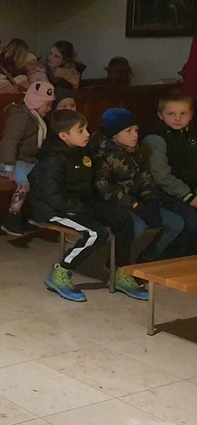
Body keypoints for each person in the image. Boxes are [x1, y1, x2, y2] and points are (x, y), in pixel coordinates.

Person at [27, 109, 138, 303]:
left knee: (123, 217)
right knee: (96, 233)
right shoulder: (52, 159)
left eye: (86, 129)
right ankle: (61, 272)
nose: (87, 134)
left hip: (78, 204)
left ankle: (121, 272)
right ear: (64, 136)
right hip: (52, 210)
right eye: (80, 131)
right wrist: (83, 208)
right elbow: (53, 197)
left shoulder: (81, 152)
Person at [92, 108, 184, 280]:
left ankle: (147, 259)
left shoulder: (136, 151)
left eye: (136, 130)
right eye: (128, 131)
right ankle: (117, 262)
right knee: (138, 226)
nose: (135, 135)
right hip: (117, 206)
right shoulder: (101, 155)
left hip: (138, 202)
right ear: (114, 134)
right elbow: (104, 189)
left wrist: (150, 201)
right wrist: (136, 206)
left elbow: (145, 179)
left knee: (176, 222)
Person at [141, 91, 197, 261]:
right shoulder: (156, 138)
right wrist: (189, 197)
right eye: (171, 114)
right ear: (161, 115)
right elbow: (161, 176)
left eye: (183, 113)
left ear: (191, 115)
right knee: (190, 221)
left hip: (190, 190)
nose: (178, 118)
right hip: (163, 192)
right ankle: (153, 259)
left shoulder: (192, 135)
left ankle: (188, 261)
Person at [0, 81, 55, 236]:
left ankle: (37, 216)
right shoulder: (21, 117)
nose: (49, 109)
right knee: (24, 185)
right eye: (47, 105)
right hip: (15, 160)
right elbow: (10, 140)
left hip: (29, 159)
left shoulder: (38, 118)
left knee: (45, 179)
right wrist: (9, 165)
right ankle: (12, 218)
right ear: (36, 102)